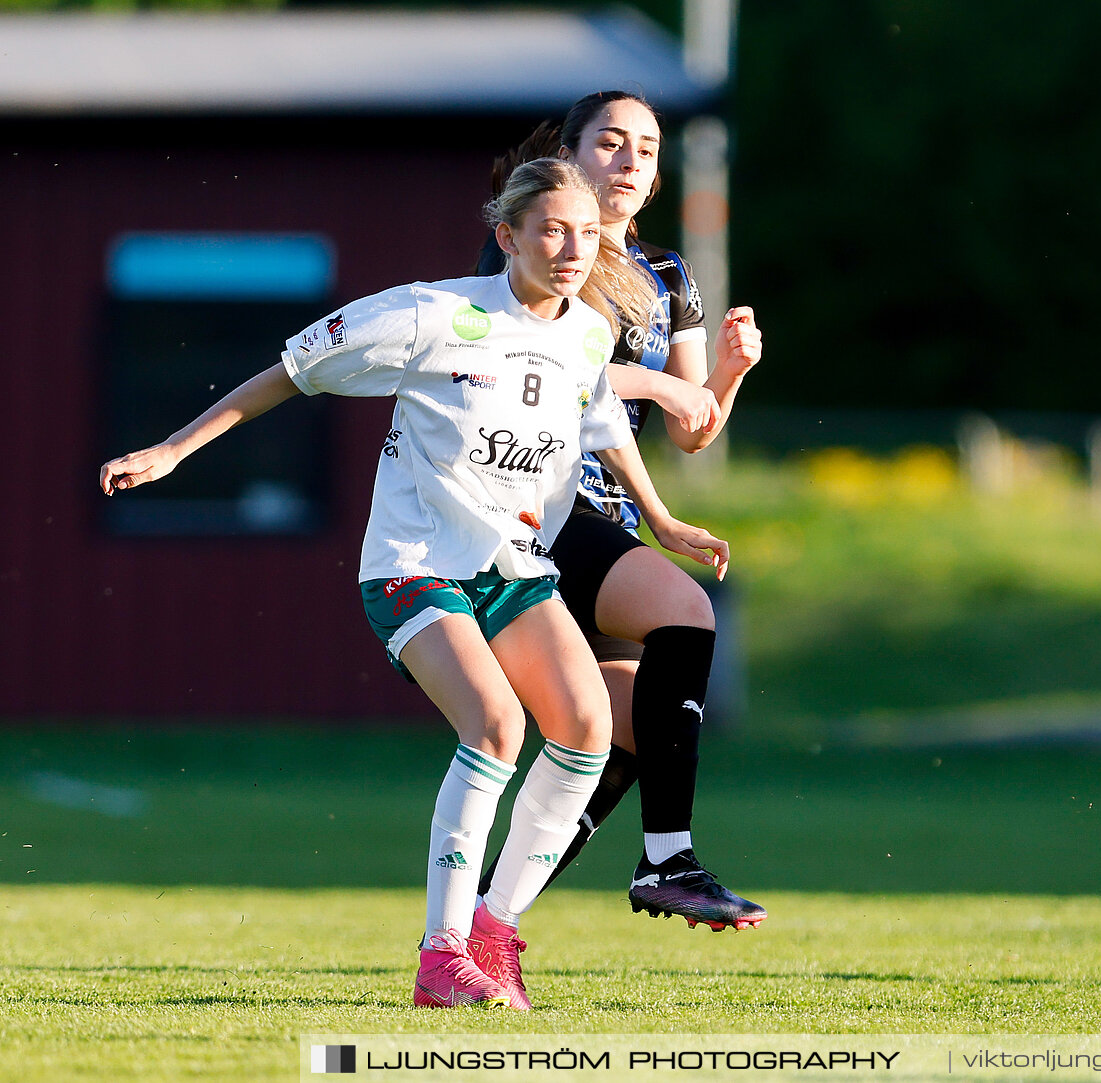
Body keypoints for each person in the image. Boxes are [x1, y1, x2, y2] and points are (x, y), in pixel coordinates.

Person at [99, 158, 728, 1010]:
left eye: (585, 232)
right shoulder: (434, 313)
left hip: (511, 571)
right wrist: (173, 449)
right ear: (507, 236)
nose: (574, 247)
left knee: (586, 729)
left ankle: (493, 932)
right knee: (498, 725)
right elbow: (291, 368)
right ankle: (442, 955)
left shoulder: (585, 334)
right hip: (415, 565)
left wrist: (662, 519)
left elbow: (602, 421)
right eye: (551, 228)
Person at [470, 91, 767, 932]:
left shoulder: (669, 274)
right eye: (611, 142)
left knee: (620, 737)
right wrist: (665, 383)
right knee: (685, 611)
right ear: (569, 152)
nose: (631, 159)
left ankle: (481, 924)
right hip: (534, 502)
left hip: (611, 516)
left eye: (646, 147)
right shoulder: (540, 249)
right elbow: (539, 372)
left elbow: (694, 430)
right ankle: (668, 859)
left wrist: (727, 376)